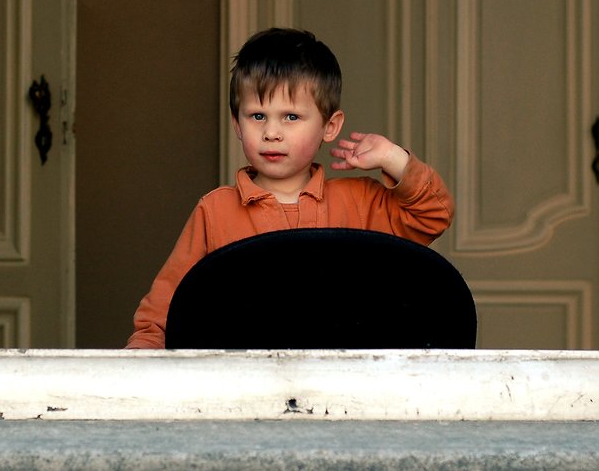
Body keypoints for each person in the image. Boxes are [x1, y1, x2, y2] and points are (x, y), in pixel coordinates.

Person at [126, 27, 454, 348]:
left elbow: (433, 215)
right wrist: (142, 359)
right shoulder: (215, 211)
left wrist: (392, 157)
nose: (271, 132)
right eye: (257, 116)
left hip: (339, 388)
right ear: (236, 124)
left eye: (291, 117)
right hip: (245, 384)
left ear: (330, 126)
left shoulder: (359, 201)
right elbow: (163, 312)